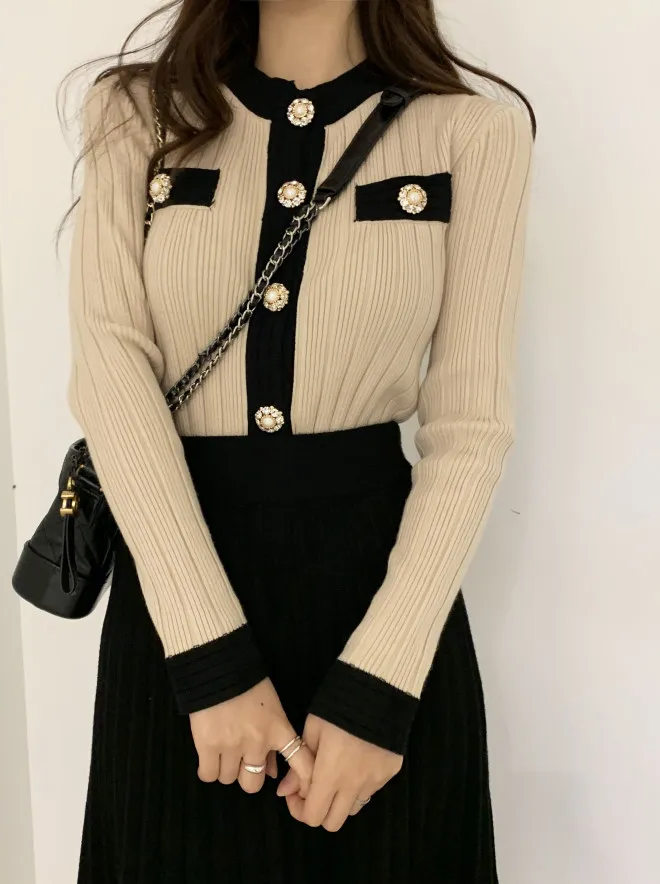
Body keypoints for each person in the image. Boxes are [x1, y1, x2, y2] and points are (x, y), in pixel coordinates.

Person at [64, 0, 535, 880]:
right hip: (175, 603)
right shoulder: (136, 113)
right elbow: (109, 372)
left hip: (380, 607)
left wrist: (381, 683)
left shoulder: (472, 133)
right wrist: (208, 657)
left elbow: (471, 428)